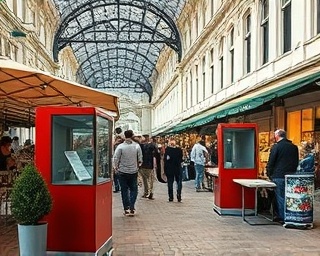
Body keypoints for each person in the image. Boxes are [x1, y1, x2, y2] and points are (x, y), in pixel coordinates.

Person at [266, 129, 299, 223]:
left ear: (277, 136)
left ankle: (282, 217)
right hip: (291, 175)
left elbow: (271, 162)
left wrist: (269, 173)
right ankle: (290, 214)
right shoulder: (294, 147)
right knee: (290, 196)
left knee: (280, 196)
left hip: (278, 175)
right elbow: (296, 161)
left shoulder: (276, 147)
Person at [113, 130, 143, 217]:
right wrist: (138, 166)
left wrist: (115, 168)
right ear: (132, 135)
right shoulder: (136, 146)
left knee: (124, 190)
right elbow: (140, 159)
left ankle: (126, 208)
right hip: (133, 171)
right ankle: (132, 206)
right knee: (134, 189)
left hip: (122, 172)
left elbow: (116, 158)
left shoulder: (120, 147)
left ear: (125, 136)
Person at [139, 135, 158, 200]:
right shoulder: (152, 145)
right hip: (150, 165)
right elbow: (156, 151)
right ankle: (150, 192)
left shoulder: (140, 146)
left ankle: (146, 192)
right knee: (150, 180)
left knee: (145, 180)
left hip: (142, 165)